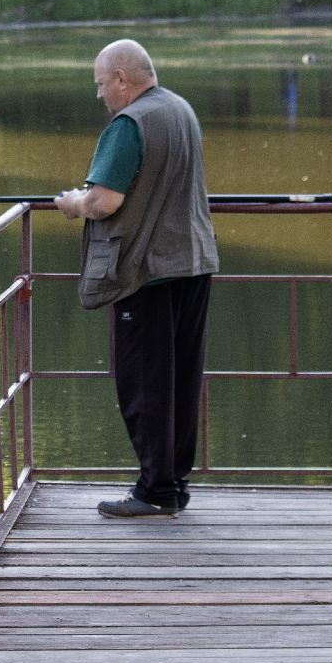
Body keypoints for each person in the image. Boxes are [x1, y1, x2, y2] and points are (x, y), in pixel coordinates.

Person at [54, 40, 219, 518]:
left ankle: (154, 492)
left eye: (101, 84)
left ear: (123, 79)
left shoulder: (129, 125)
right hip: (193, 263)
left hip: (147, 272)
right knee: (181, 381)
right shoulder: (180, 109)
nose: (100, 95)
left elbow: (104, 200)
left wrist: (71, 202)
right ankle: (174, 484)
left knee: (145, 383)